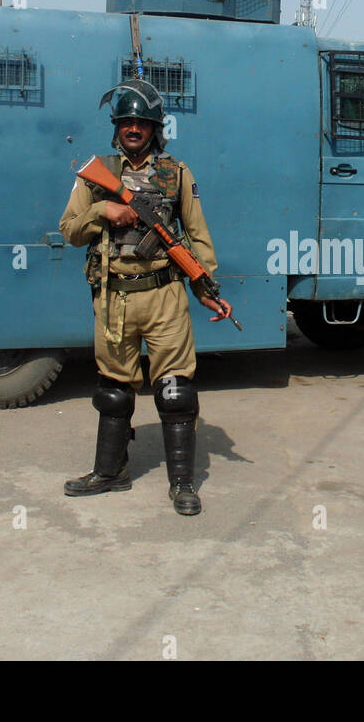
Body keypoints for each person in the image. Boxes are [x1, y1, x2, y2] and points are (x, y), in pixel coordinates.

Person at [59, 78, 234, 516]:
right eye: (126, 122)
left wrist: (206, 288)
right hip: (114, 298)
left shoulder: (177, 174)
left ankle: (183, 484)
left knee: (175, 391)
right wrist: (104, 210)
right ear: (116, 127)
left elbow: (196, 236)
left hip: (165, 297)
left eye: (143, 122)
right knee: (115, 391)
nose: (134, 128)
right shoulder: (97, 174)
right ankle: (110, 472)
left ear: (156, 128)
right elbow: (69, 230)